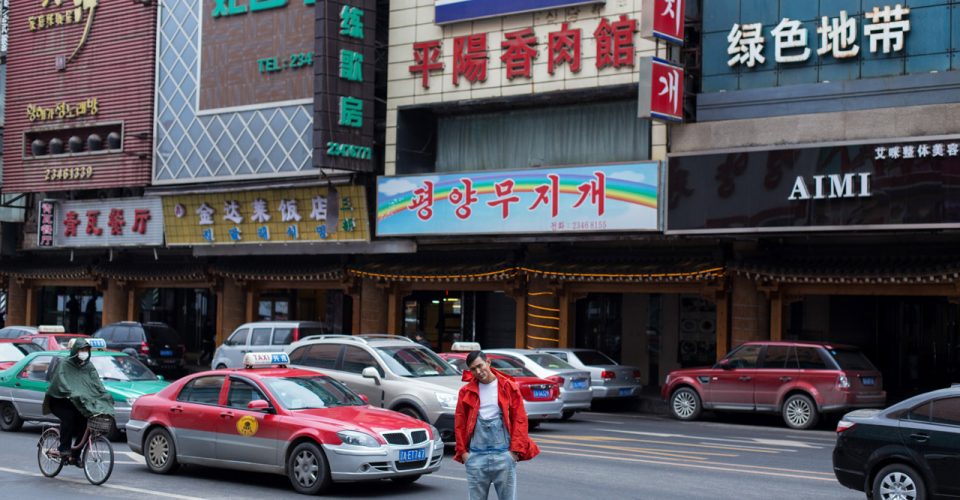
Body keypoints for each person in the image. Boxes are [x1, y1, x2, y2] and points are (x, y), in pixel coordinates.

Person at [455, 350, 539, 500]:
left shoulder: (508, 387)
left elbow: (520, 420)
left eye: (480, 366)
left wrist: (514, 452)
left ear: (488, 362)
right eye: (473, 369)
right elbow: (460, 423)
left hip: (503, 455)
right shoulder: (466, 392)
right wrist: (463, 453)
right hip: (476, 457)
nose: (478, 371)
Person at [42, 338, 115, 464]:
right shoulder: (65, 364)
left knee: (85, 423)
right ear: (76, 350)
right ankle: (64, 449)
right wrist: (71, 392)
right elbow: (61, 381)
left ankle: (75, 456)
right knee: (69, 418)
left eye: (86, 350)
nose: (84, 352)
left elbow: (96, 382)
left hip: (76, 402)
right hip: (59, 400)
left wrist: (104, 394)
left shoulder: (88, 366)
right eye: (82, 350)